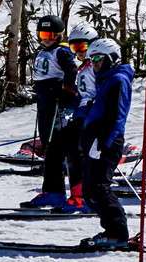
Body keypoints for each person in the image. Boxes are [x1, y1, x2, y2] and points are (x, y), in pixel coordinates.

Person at [32, 24, 99, 212]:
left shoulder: (98, 68)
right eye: (74, 48)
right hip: (79, 115)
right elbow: (80, 94)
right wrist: (66, 97)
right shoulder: (84, 68)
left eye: (82, 47)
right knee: (54, 147)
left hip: (91, 118)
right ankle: (53, 192)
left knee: (75, 151)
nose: (79, 52)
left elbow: (104, 94)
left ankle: (82, 196)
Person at [79, 39, 136, 247]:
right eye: (91, 60)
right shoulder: (106, 79)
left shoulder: (118, 79)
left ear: (111, 58)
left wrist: (102, 143)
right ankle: (111, 230)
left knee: (99, 188)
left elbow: (116, 117)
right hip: (96, 140)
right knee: (89, 190)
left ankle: (117, 232)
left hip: (107, 141)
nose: (93, 64)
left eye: (97, 59)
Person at [19, 12, 79, 184]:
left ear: (59, 35)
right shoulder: (43, 51)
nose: (46, 39)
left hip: (55, 96)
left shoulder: (61, 51)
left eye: (50, 36)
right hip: (43, 96)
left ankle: (59, 162)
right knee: (44, 131)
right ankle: (49, 160)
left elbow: (71, 71)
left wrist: (67, 91)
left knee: (54, 132)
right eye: (43, 35)